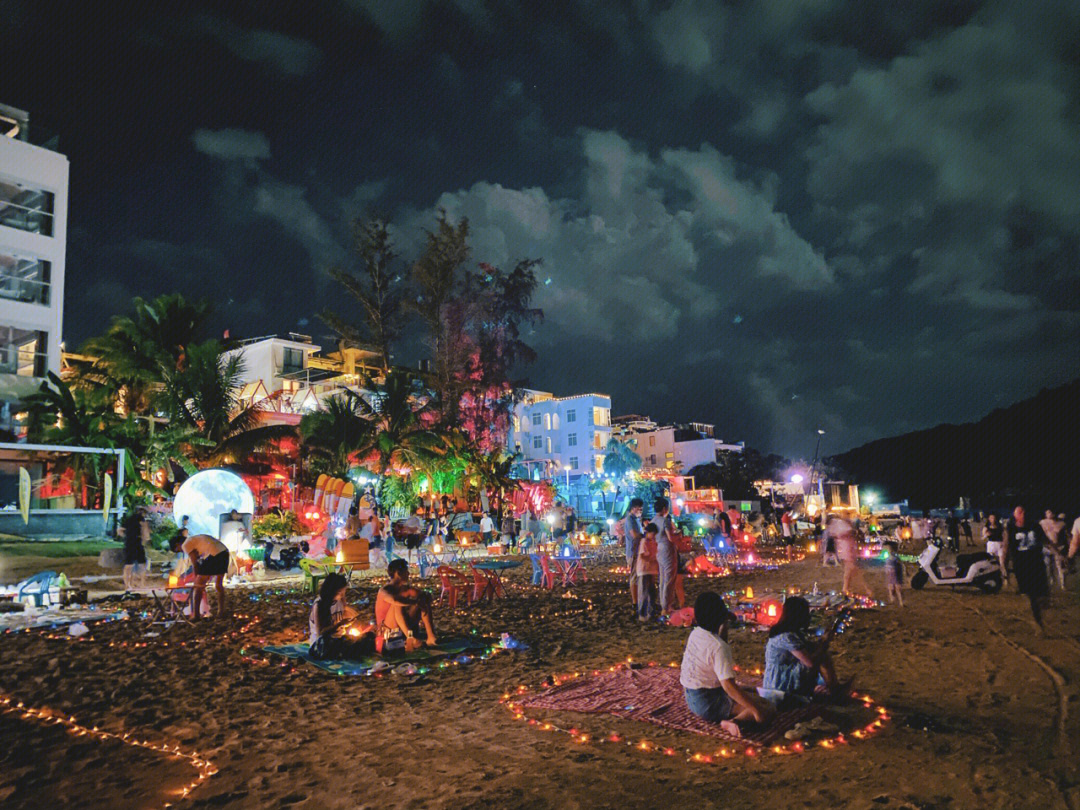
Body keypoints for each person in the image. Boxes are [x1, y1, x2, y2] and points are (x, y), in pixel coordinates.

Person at [680, 591, 774, 737]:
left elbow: (717, 644)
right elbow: (728, 686)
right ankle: (735, 722)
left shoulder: (696, 633)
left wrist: (724, 623)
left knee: (751, 692)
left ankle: (740, 714)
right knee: (767, 707)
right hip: (708, 702)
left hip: (690, 696)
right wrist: (756, 711)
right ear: (720, 616)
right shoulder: (718, 647)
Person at [762, 596, 847, 697]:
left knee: (819, 653)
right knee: (821, 656)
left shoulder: (788, 631)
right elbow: (810, 662)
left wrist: (821, 642)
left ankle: (833, 687)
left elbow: (809, 648)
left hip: (783, 675)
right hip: (779, 684)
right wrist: (824, 643)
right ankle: (834, 690)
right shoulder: (786, 636)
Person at [307, 573, 375, 660]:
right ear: (334, 590)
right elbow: (321, 633)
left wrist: (350, 622)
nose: (343, 595)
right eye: (341, 592)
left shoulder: (339, 600)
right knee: (352, 648)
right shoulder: (320, 605)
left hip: (339, 639)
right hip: (323, 644)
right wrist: (339, 624)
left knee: (368, 637)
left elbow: (345, 614)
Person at [1005, 505, 1051, 630]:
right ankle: (1037, 622)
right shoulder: (1010, 529)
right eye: (1019, 512)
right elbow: (1006, 549)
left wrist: (1059, 553)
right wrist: (1004, 569)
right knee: (1030, 595)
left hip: (1037, 563)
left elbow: (1046, 541)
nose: (1022, 514)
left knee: (1042, 595)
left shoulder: (1035, 526)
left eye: (1024, 511)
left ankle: (1040, 609)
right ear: (1015, 515)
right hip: (1022, 566)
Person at [376, 558, 437, 650]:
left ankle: (431, 637)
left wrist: (424, 598)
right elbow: (394, 600)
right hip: (387, 631)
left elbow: (424, 595)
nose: (408, 574)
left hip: (402, 626)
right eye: (406, 571)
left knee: (422, 598)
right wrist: (415, 602)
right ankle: (410, 638)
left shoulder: (404, 589)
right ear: (398, 573)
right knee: (397, 604)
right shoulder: (384, 590)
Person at [171, 533, 230, 621]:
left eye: (178, 550)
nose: (182, 551)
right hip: (224, 552)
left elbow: (194, 563)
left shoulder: (185, 545)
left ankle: (196, 615)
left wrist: (196, 578)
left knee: (198, 586)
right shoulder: (195, 539)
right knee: (219, 584)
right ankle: (221, 611)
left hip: (213, 554)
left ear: (177, 544)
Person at [829, 514, 871, 596]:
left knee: (848, 571)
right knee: (854, 570)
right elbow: (838, 534)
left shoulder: (846, 524)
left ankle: (845, 588)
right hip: (847, 550)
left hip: (849, 549)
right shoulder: (840, 524)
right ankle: (866, 589)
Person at [652, 497, 678, 618]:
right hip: (667, 549)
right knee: (669, 577)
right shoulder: (664, 521)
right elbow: (670, 538)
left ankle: (664, 603)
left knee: (662, 577)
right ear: (664, 508)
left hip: (657, 549)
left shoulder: (653, 521)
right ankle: (666, 606)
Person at [121, 507, 151, 591]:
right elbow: (145, 532)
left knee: (128, 565)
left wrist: (126, 537)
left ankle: (128, 585)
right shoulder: (142, 520)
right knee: (142, 564)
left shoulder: (128, 520)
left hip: (129, 543)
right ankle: (142, 584)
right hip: (138, 543)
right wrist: (146, 540)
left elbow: (120, 530)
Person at [636, 522, 660, 621]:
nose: (654, 536)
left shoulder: (654, 542)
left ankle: (651, 613)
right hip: (644, 570)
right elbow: (642, 555)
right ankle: (642, 613)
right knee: (644, 592)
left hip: (652, 569)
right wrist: (652, 558)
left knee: (652, 592)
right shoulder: (644, 541)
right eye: (653, 534)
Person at [624, 498, 644, 609]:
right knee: (634, 577)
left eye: (641, 508)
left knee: (639, 577)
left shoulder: (636, 519)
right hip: (633, 552)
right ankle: (635, 602)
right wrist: (645, 536)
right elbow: (634, 534)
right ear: (633, 508)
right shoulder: (630, 519)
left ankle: (639, 600)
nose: (641, 510)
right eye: (639, 508)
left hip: (639, 551)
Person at [1039, 510, 1068, 590]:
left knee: (1060, 566)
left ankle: (1063, 584)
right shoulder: (1042, 523)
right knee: (1048, 566)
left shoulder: (1061, 524)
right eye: (1047, 513)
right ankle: (1051, 581)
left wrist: (1065, 547)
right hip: (1047, 547)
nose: (1049, 514)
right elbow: (1040, 534)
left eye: (1050, 512)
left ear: (1054, 514)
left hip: (1059, 547)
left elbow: (1066, 536)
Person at [983, 513, 1007, 582]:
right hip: (991, 545)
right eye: (991, 518)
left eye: (993, 518)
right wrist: (986, 535)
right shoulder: (986, 527)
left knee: (1002, 562)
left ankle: (1004, 577)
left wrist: (1004, 543)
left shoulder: (1000, 526)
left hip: (999, 544)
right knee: (992, 561)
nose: (992, 519)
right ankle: (993, 577)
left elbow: (1004, 535)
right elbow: (983, 537)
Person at [883, 540, 904, 607]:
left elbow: (901, 564)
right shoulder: (890, 557)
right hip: (890, 573)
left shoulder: (894, 557)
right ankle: (893, 600)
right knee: (891, 587)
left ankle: (901, 602)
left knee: (897, 588)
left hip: (894, 573)